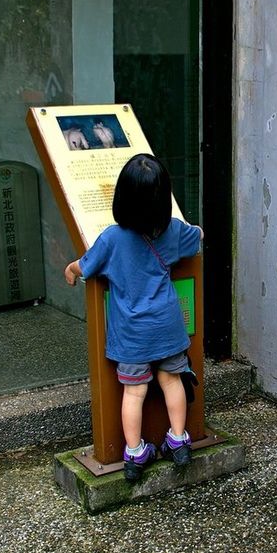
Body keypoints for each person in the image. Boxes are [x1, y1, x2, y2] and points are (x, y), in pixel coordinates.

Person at [64, 154, 202, 481]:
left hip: (131, 335)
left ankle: (135, 453)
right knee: (172, 381)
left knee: (135, 391)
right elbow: (197, 238)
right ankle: (179, 440)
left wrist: (70, 270)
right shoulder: (172, 232)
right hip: (167, 328)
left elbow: (85, 266)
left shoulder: (112, 238)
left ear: (121, 197)